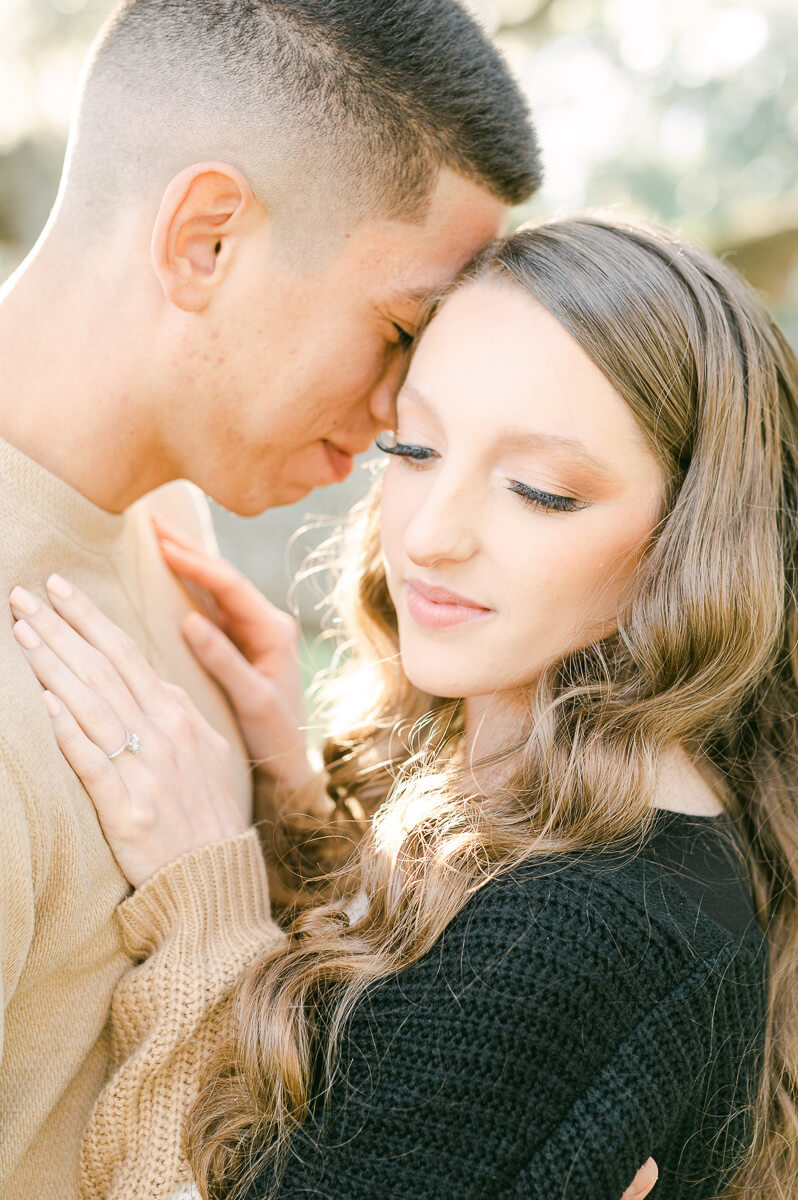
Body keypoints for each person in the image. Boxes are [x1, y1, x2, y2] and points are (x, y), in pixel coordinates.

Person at [13, 213, 796, 1199]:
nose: (429, 535)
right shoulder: (584, 823)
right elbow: (398, 1075)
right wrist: (296, 800)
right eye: (415, 449)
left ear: (695, 540)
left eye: (541, 491)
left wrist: (202, 898)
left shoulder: (579, 934)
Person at [0, 1, 544, 1195]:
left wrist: (285, 805)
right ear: (207, 239)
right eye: (401, 328)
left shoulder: (165, 523)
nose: (408, 406)